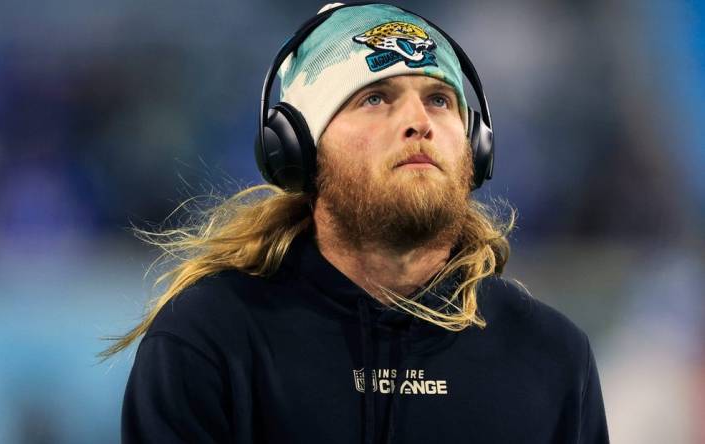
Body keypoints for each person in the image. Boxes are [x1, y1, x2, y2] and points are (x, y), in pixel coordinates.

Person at [102, 3, 610, 443]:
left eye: (439, 99)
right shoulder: (211, 341)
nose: (419, 122)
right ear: (299, 148)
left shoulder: (551, 356)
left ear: (476, 147)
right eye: (375, 98)